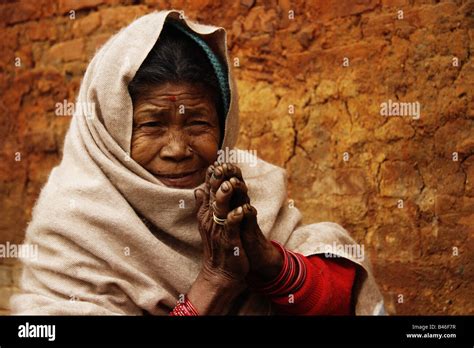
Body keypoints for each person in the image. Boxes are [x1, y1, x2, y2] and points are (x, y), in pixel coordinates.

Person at [11, 10, 385, 316]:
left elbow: (340, 302)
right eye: (152, 125)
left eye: (197, 123)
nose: (178, 149)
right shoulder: (71, 225)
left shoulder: (249, 193)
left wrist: (270, 263)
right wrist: (215, 281)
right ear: (109, 128)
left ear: (225, 125)